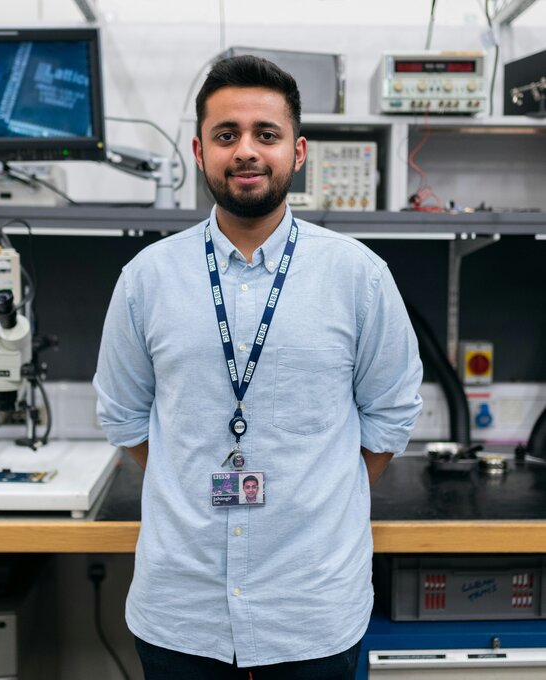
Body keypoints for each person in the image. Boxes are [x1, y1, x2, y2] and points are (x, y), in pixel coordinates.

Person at [94, 55, 422, 680]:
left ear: (298, 152)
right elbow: (123, 414)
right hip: (182, 611)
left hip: (312, 608)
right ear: (199, 150)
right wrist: (188, 475)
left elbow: (391, 413)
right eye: (227, 134)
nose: (246, 150)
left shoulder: (358, 277)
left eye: (265, 134)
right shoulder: (146, 280)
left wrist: (317, 496)